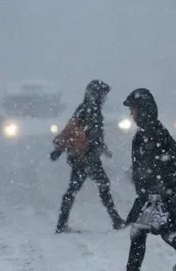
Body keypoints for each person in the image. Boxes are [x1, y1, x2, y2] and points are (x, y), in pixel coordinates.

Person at [105, 88, 176, 271]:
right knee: (158, 234)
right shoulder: (146, 132)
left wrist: (161, 184)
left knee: (153, 234)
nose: (131, 114)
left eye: (133, 109)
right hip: (153, 196)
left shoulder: (155, 132)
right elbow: (151, 163)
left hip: (158, 198)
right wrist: (136, 173)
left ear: (143, 109)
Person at [51, 80, 124, 233]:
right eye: (102, 95)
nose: (104, 98)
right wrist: (96, 150)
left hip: (79, 156)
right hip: (88, 157)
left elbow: (72, 130)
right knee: (103, 185)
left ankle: (61, 224)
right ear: (95, 95)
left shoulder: (83, 109)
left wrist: (60, 149)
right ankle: (116, 220)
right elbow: (92, 136)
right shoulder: (91, 111)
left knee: (73, 189)